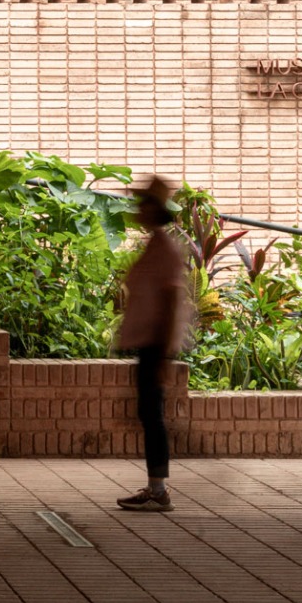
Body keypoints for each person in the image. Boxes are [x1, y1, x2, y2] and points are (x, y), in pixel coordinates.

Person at [114, 176, 192, 513]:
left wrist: (164, 354)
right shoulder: (156, 244)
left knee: (153, 416)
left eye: (143, 204)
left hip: (155, 345)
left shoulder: (165, 249)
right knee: (148, 414)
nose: (137, 210)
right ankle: (155, 487)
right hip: (148, 342)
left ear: (153, 209)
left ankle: (158, 490)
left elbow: (174, 300)